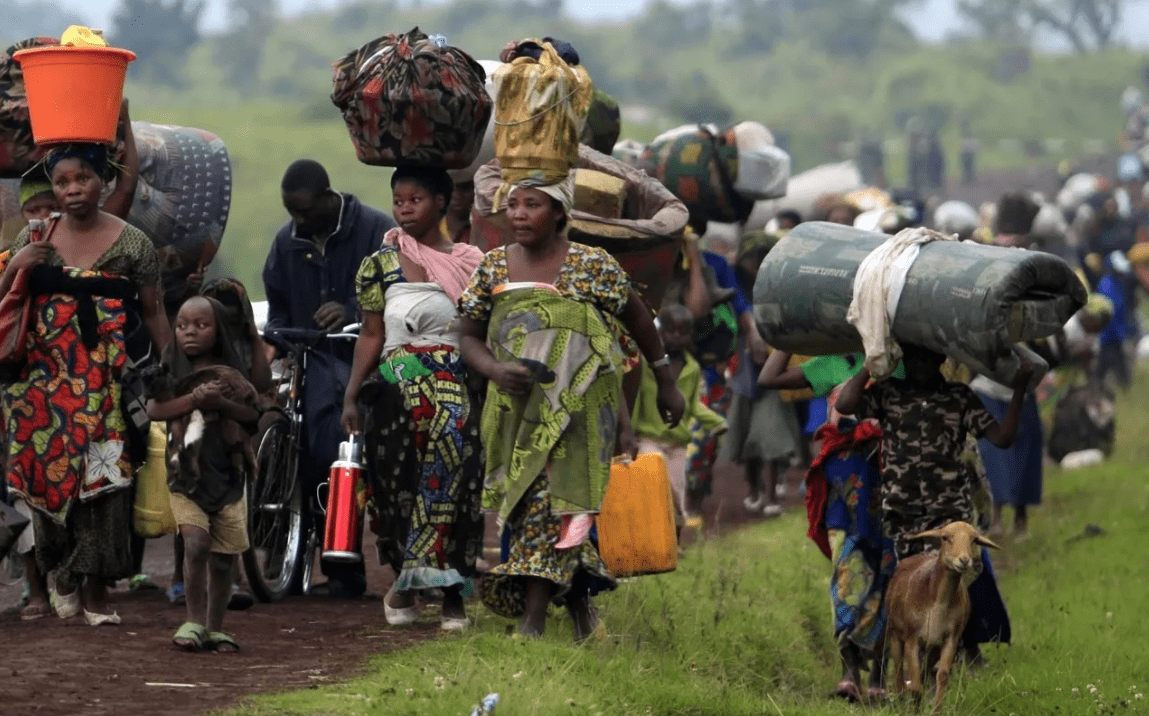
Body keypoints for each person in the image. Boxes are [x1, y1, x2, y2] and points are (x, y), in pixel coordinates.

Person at [457, 175, 685, 641]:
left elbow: (639, 321)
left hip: (583, 409)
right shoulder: (494, 267)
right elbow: (466, 334)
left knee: (557, 502)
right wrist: (495, 371)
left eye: (532, 205)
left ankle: (533, 622)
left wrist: (665, 381)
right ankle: (582, 612)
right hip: (517, 411)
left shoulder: (592, 265)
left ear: (560, 213)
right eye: (513, 205)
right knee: (542, 508)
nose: (518, 213)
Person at [0, 142, 171, 625]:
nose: (72, 190)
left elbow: (155, 310)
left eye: (83, 180)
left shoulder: (133, 244)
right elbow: (5, 300)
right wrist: (18, 264)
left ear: (104, 182)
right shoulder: (37, 238)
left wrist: (172, 367)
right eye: (62, 183)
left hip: (106, 383)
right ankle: (63, 574)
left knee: (106, 484)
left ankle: (96, 594)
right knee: (46, 483)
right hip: (39, 389)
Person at [341, 167, 485, 630]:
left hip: (454, 395)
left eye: (416, 199)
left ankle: (451, 597)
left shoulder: (471, 264)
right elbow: (371, 333)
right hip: (393, 398)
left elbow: (479, 335)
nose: (404, 208)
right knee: (396, 490)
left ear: (442, 203)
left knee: (454, 489)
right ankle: (404, 581)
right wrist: (350, 396)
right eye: (398, 200)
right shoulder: (380, 264)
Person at [837, 345, 1030, 664]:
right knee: (914, 582)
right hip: (904, 512)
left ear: (941, 359)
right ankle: (918, 656)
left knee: (958, 576)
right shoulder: (888, 393)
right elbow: (845, 404)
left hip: (949, 512)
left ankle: (960, 647)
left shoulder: (959, 397)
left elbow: (1002, 437)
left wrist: (1020, 388)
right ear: (904, 361)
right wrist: (869, 367)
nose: (922, 365)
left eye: (929, 358)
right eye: (915, 358)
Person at [262, 159, 397, 598]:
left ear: (327, 196)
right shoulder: (287, 242)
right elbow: (278, 306)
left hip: (362, 359)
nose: (296, 220)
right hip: (308, 359)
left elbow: (401, 295)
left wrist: (353, 312)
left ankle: (345, 568)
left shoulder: (376, 231)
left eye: (303, 211)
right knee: (286, 442)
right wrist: (276, 337)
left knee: (333, 449)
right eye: (290, 212)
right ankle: (290, 552)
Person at [759, 350, 901, 702]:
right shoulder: (831, 364)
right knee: (848, 577)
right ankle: (849, 672)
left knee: (888, 579)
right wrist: (786, 340)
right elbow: (769, 379)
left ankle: (880, 675)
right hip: (844, 492)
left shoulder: (898, 363)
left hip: (890, 488)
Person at [147, 296, 260, 651]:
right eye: (181, 325)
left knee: (225, 561)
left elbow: (252, 417)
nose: (189, 332)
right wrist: (195, 400)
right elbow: (155, 409)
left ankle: (214, 627)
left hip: (229, 479)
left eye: (201, 325)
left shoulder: (231, 375)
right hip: (186, 478)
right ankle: (192, 621)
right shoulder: (170, 369)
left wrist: (222, 404)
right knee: (195, 544)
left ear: (218, 330)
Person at [632, 304, 726, 534]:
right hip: (648, 437)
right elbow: (637, 395)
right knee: (654, 480)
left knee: (677, 489)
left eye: (683, 332)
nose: (677, 337)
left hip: (677, 442)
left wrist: (717, 423)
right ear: (660, 333)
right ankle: (650, 534)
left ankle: (675, 539)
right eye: (671, 331)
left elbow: (692, 404)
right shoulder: (645, 364)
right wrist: (628, 431)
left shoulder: (692, 368)